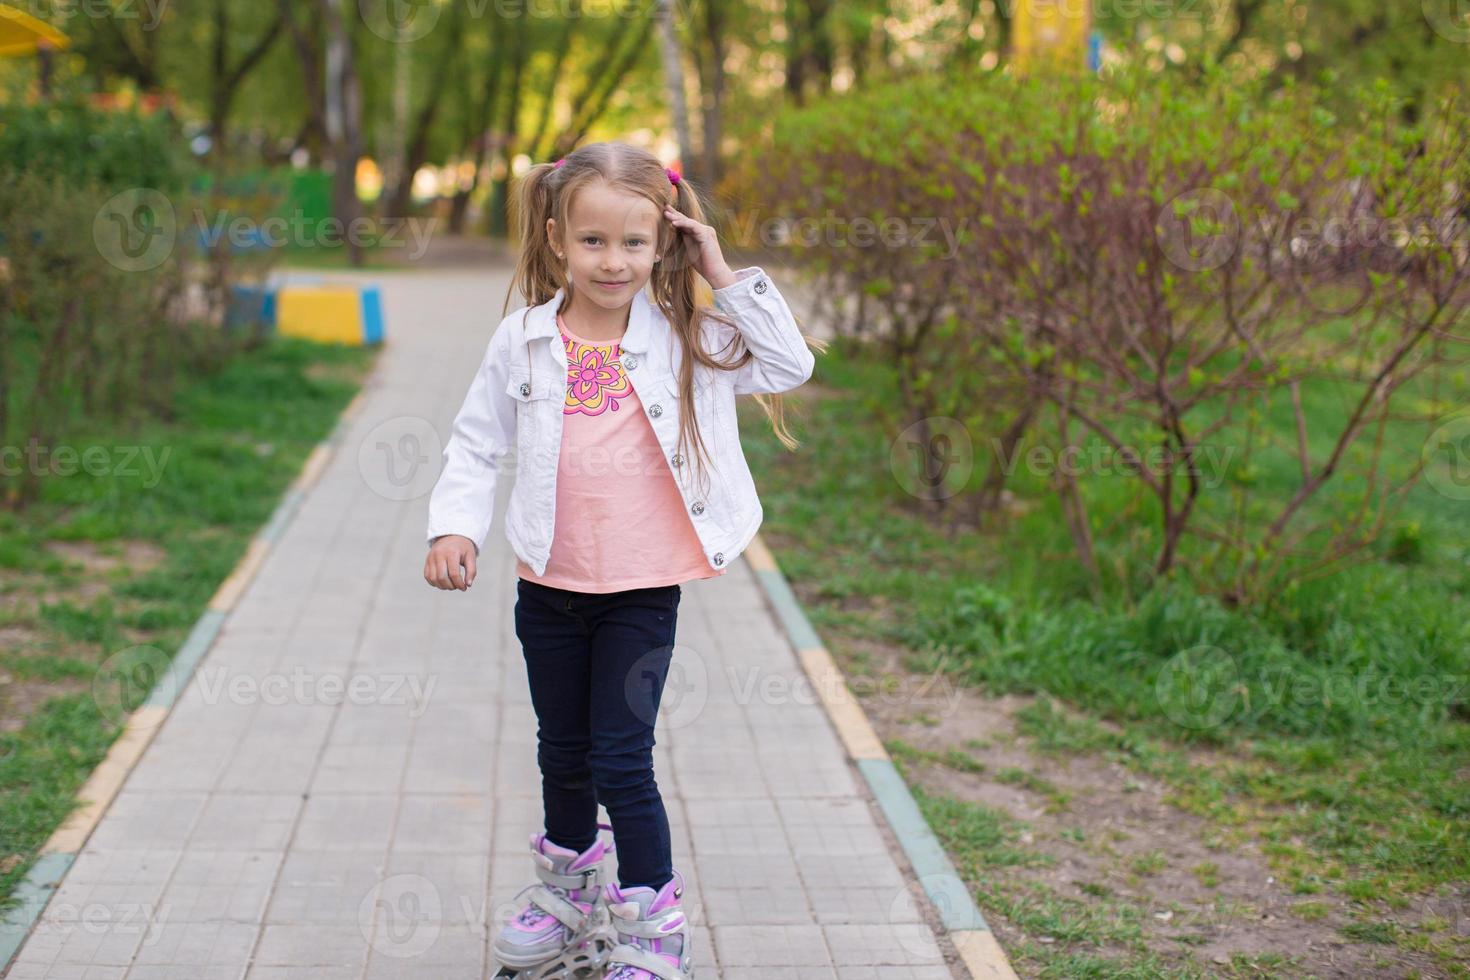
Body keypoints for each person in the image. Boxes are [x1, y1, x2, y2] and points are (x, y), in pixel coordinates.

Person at [422, 141, 822, 979]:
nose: (614, 261)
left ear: (664, 242)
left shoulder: (691, 336)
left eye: (634, 243)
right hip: (548, 585)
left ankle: (651, 925)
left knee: (620, 758)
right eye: (593, 241)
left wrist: (721, 267)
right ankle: (567, 896)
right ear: (558, 238)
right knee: (559, 751)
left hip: (641, 591)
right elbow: (475, 441)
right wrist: (454, 528)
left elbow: (789, 363)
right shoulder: (525, 340)